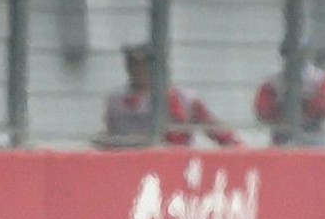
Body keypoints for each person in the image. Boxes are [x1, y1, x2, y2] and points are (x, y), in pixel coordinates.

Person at [97, 42, 239, 148]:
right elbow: (110, 136)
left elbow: (220, 133)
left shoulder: (184, 99)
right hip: (129, 164)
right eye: (132, 64)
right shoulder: (116, 100)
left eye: (143, 64)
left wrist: (238, 153)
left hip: (173, 163)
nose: (137, 70)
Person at [255, 45, 325, 147]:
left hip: (312, 135)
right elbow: (263, 111)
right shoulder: (273, 82)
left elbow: (324, 107)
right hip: (282, 137)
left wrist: (294, 105)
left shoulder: (320, 79)